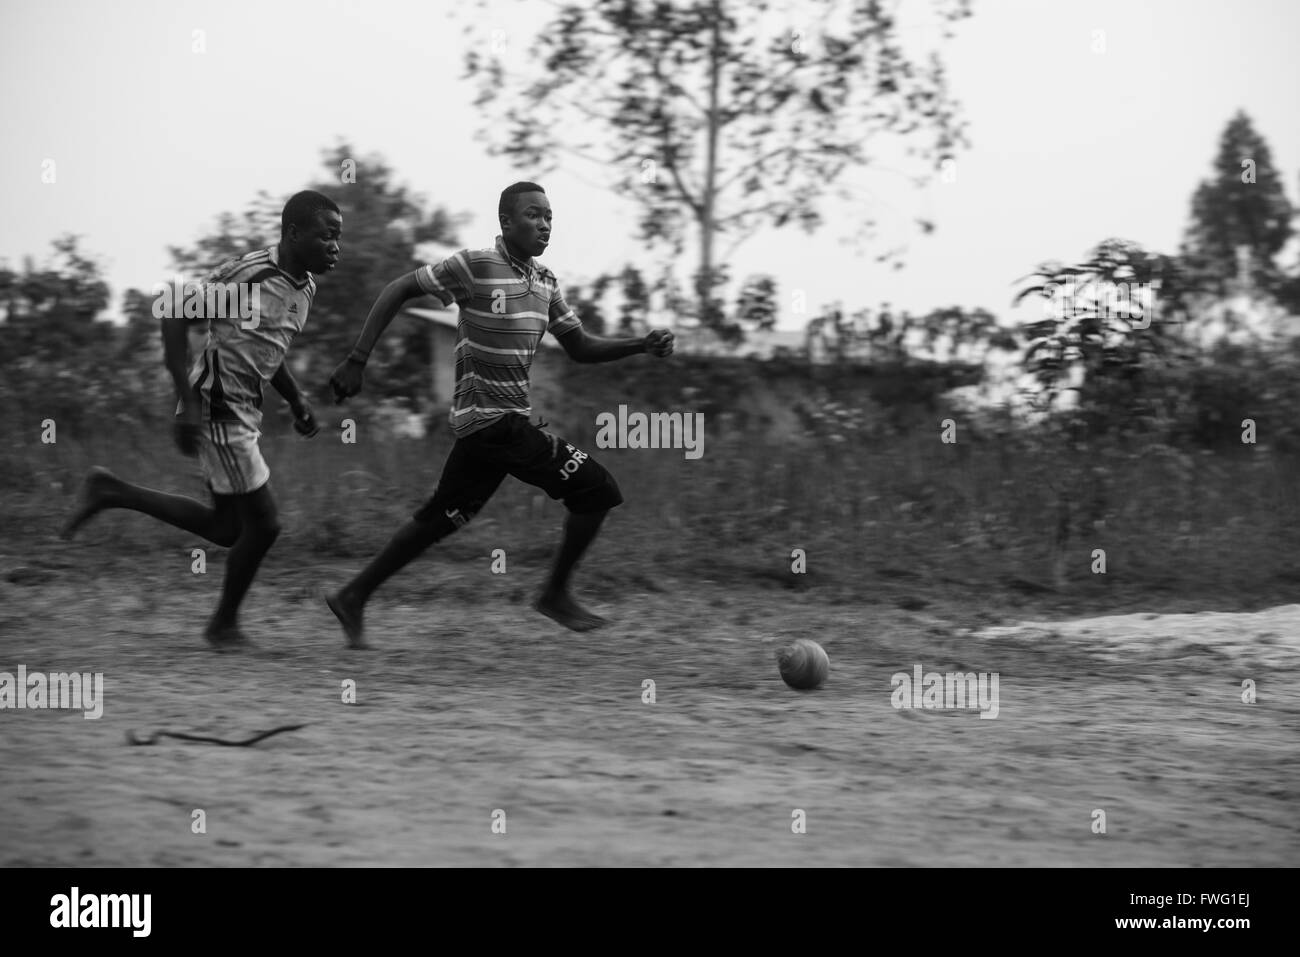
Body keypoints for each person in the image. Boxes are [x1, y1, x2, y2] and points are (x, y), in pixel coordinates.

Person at [325, 181, 673, 649]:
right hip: (496, 424)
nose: (544, 224)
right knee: (598, 490)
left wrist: (640, 344)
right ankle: (553, 594)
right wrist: (357, 359)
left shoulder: (546, 283)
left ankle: (352, 595)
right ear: (506, 222)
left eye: (550, 217)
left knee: (440, 519)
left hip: (489, 431)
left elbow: (581, 347)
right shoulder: (474, 266)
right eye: (533, 215)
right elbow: (398, 288)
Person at [61, 190, 342, 648]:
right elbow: (172, 312)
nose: (336, 247)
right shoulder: (251, 279)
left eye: (338, 238)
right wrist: (188, 403)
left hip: (243, 409)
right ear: (293, 233)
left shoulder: (303, 288)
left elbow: (269, 350)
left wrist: (296, 400)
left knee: (227, 527)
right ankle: (223, 625)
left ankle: (111, 490)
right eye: (327, 236)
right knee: (265, 525)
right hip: (217, 406)